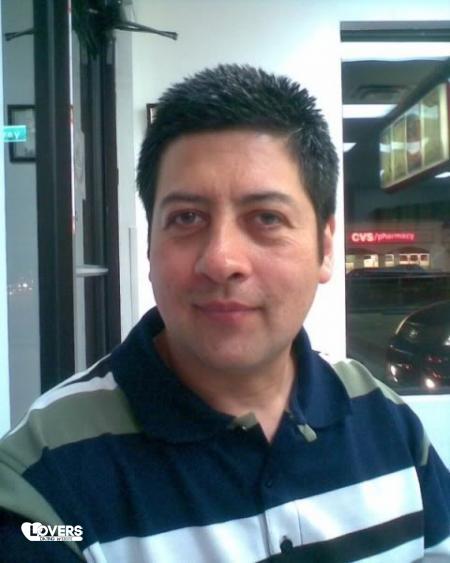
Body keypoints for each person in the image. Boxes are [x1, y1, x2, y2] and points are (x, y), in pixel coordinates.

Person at [0, 64, 449, 563]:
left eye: (267, 218)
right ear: (149, 249)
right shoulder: (43, 481)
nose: (221, 260)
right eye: (186, 217)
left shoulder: (388, 421)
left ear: (325, 248)